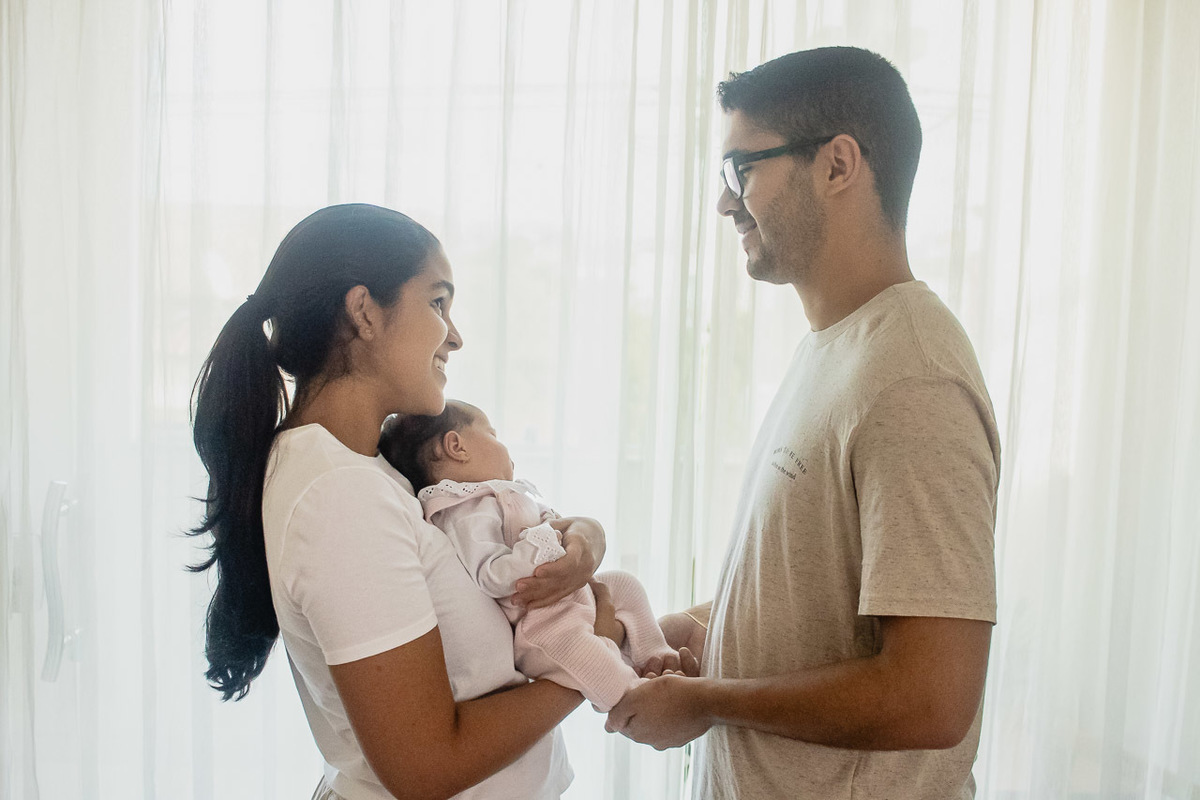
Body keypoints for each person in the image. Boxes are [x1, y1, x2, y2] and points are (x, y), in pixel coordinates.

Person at [605, 46, 1001, 800]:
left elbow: (932, 696)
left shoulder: (913, 376)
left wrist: (708, 699)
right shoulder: (838, 349)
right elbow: (823, 598)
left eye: (742, 170)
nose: (726, 203)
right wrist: (707, 631)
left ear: (838, 164)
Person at [188, 203, 615, 800]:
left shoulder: (366, 470)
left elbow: (483, 530)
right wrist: (594, 655)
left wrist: (584, 535)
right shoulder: (338, 494)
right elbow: (424, 767)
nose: (456, 335)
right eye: (438, 302)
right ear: (363, 312)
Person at [378, 400, 681, 713]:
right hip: (541, 623)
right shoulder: (461, 514)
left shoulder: (499, 496)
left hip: (569, 596)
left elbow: (556, 526)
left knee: (624, 584)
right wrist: (546, 535)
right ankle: (635, 697)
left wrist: (558, 527)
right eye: (492, 434)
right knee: (589, 658)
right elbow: (494, 576)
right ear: (457, 446)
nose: (506, 448)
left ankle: (654, 653)